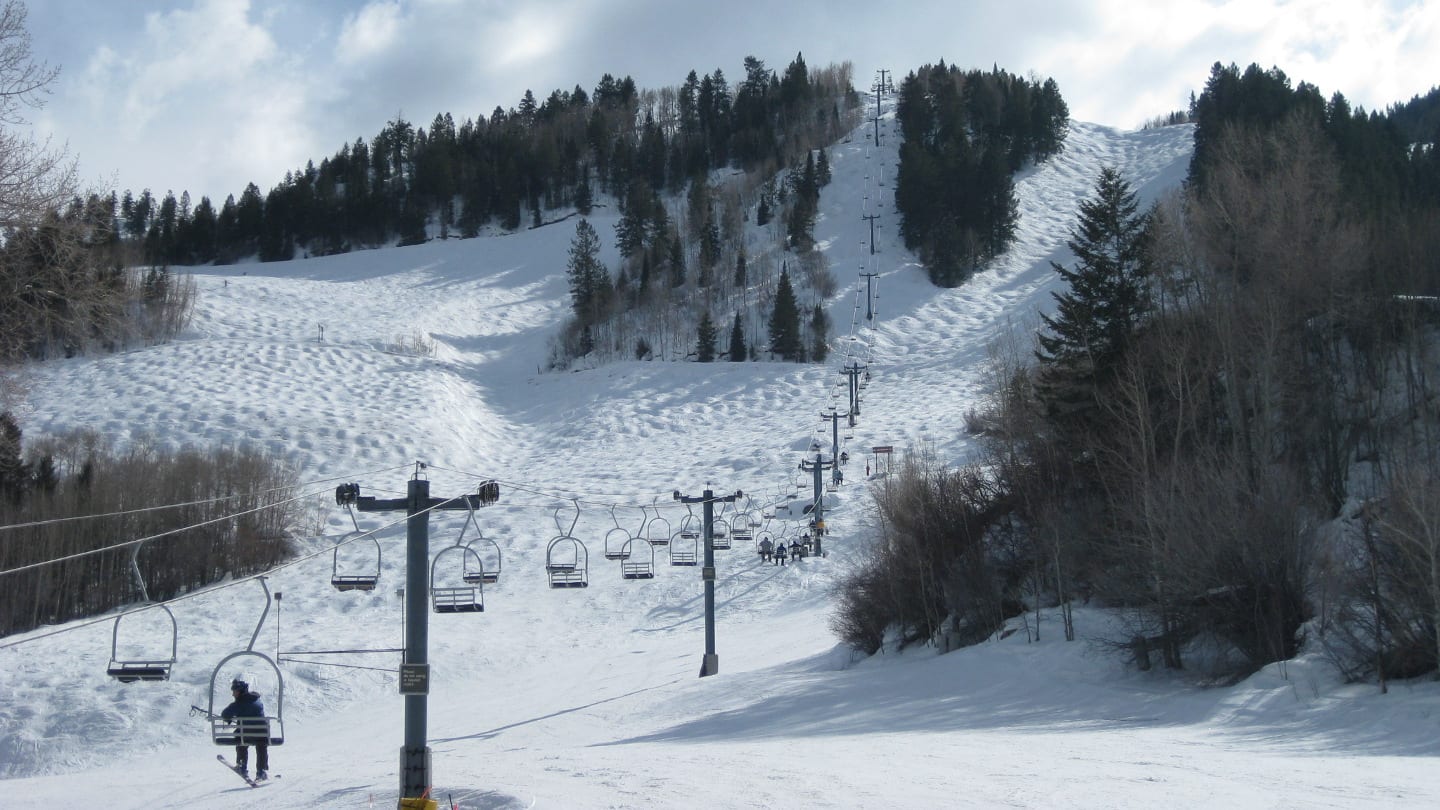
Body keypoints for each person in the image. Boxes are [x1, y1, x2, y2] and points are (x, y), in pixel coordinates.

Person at [221, 678, 270, 780]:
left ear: (240, 692)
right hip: (262, 735)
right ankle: (261, 771)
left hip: (246, 736)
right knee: (261, 745)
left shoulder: (238, 704)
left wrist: (229, 719)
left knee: (240, 740)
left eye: (234, 692)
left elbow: (225, 714)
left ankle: (242, 766)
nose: (233, 695)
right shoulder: (257, 701)